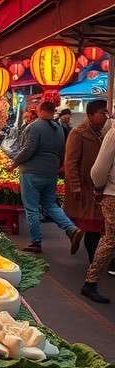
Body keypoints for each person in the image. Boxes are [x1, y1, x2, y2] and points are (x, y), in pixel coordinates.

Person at [10, 99, 83, 255]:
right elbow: (62, 151)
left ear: (40, 109)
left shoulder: (34, 127)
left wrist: (14, 163)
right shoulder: (58, 128)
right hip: (51, 173)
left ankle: (36, 241)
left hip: (32, 172)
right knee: (50, 204)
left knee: (31, 208)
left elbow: (28, 149)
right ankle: (71, 229)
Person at [63, 99, 109, 265]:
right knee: (93, 227)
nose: (106, 116)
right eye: (102, 113)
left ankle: (77, 234)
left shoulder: (103, 132)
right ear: (90, 115)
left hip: (99, 187)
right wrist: (75, 186)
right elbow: (71, 162)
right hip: (85, 187)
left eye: (107, 113)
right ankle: (93, 263)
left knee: (95, 226)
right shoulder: (78, 133)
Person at [80, 119, 115, 303]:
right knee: (110, 239)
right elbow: (99, 169)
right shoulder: (113, 133)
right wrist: (99, 186)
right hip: (113, 194)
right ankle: (90, 282)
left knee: (109, 239)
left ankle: (91, 282)